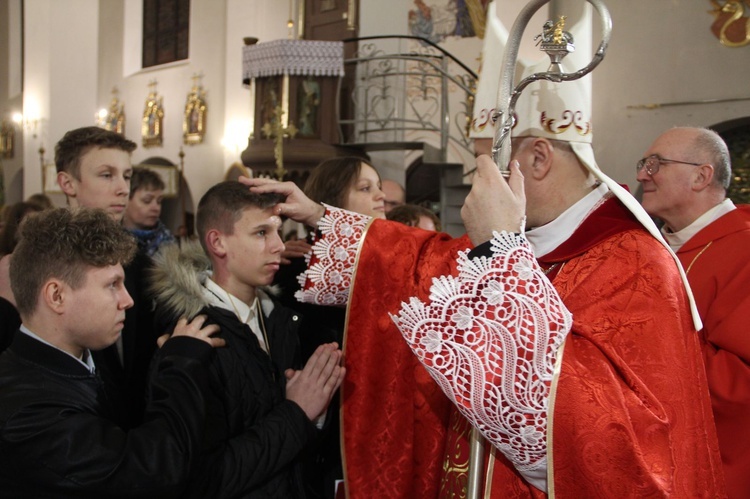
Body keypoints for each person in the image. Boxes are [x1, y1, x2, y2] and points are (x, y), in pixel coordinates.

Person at [240, 61, 725, 497]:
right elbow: (420, 261)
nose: (476, 184)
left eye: (482, 164)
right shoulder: (531, 242)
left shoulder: (635, 266)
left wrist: (498, 250)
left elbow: (597, 442)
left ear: (537, 158)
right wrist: (321, 214)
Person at [0, 207, 224, 497]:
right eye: (112, 285)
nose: (127, 300)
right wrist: (180, 363)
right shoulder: (27, 412)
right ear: (57, 296)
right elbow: (152, 472)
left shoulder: (80, 358)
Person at [148, 181, 345, 498]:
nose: (279, 246)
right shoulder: (191, 337)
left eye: (278, 231)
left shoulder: (282, 320)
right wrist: (297, 413)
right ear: (218, 242)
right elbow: (204, 479)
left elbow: (301, 456)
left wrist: (317, 413)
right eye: (261, 233)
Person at [637, 126, 750, 498]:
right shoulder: (650, 248)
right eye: (643, 163)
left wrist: (640, 348)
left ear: (702, 176)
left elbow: (740, 382)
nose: (642, 175)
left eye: (657, 164)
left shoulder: (743, 249)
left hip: (720, 467)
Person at [55, 126, 157, 427]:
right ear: (68, 183)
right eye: (106, 175)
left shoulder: (139, 261)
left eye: (127, 175)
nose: (123, 188)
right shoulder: (41, 262)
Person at [123, 166, 175, 256]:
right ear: (125, 200)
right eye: (147, 200)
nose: (156, 208)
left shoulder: (168, 242)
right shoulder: (109, 241)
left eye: (159, 201)